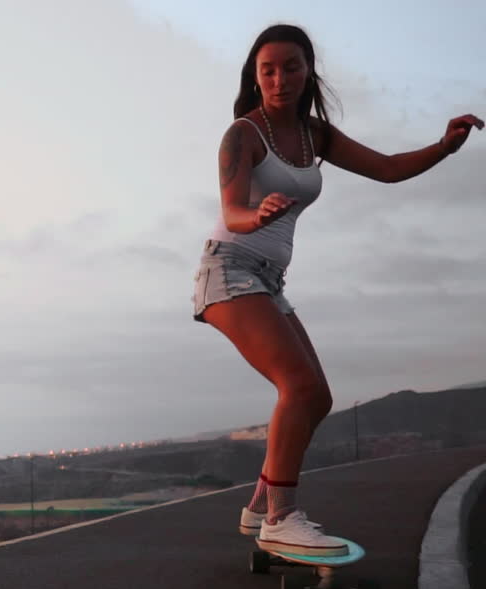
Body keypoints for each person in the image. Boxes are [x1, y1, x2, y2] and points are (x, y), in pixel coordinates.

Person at [190, 24, 482, 556]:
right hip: (229, 268)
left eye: (292, 67)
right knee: (297, 387)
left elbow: (388, 170)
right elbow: (231, 209)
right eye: (268, 70)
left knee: (316, 396)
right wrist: (256, 215)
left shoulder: (314, 135)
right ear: (255, 78)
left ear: (309, 71)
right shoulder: (243, 134)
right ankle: (282, 516)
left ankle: (259, 506)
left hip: (268, 281)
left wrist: (445, 147)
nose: (281, 79)